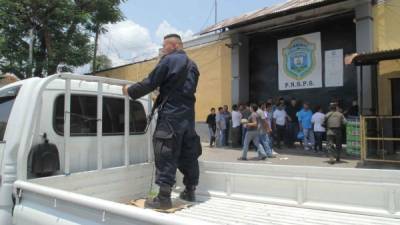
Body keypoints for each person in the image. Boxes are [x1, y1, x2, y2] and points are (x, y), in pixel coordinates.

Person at [122, 34, 201, 209]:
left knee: (166, 150)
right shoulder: (193, 66)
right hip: (188, 116)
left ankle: (164, 198)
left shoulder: (168, 60)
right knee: (188, 152)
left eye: (164, 46)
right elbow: (182, 89)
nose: (162, 49)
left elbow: (150, 82)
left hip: (171, 115)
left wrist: (130, 91)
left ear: (173, 45)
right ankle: (190, 190)